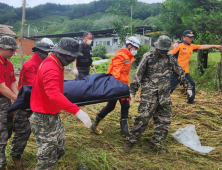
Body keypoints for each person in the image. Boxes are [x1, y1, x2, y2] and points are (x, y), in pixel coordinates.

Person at [29, 37, 92, 170]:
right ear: (64, 54)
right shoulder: (51, 67)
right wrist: (77, 111)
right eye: (72, 57)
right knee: (47, 161)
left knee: (60, 149)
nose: (72, 60)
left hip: (52, 115)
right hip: (43, 119)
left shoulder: (56, 63)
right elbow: (53, 94)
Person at [123, 35, 193, 154]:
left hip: (164, 94)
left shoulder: (170, 57)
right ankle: (129, 141)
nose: (163, 52)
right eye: (162, 49)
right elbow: (138, 75)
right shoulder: (148, 56)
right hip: (149, 94)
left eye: (165, 50)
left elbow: (179, 72)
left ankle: (156, 144)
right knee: (143, 118)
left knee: (164, 120)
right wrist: (132, 91)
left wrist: (187, 86)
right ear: (157, 47)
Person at [9, 41, 52, 166]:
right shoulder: (31, 65)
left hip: (36, 103)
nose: (47, 54)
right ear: (39, 52)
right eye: (45, 52)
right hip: (26, 104)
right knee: (23, 131)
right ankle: (16, 157)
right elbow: (32, 87)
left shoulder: (41, 64)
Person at [91, 36, 141, 136]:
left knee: (125, 105)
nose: (136, 50)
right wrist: (117, 87)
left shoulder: (129, 56)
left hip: (123, 85)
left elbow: (125, 74)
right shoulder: (120, 55)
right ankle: (95, 122)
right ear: (130, 46)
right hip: (116, 86)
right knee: (111, 106)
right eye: (135, 48)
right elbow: (116, 73)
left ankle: (124, 131)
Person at [170, 30, 222, 104]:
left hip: (185, 72)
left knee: (192, 84)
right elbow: (169, 54)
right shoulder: (177, 45)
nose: (191, 39)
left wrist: (214, 45)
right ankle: (161, 102)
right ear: (183, 37)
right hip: (176, 71)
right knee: (170, 88)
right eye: (189, 37)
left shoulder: (191, 46)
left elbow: (202, 46)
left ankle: (190, 101)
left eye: (192, 37)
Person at [0, 36, 19, 170]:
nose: (14, 52)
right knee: (1, 133)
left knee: (7, 130)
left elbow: (12, 83)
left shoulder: (9, 64)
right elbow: (2, 88)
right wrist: (17, 99)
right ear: (2, 47)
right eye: (11, 50)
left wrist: (18, 99)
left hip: (6, 101)